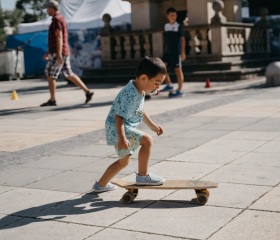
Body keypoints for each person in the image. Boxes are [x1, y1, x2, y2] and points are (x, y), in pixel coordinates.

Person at [92, 56, 167, 192]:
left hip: (120, 128)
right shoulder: (130, 94)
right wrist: (122, 138)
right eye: (156, 83)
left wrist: (152, 125)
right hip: (118, 128)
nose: (158, 87)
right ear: (144, 78)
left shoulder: (140, 88)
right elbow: (119, 118)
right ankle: (143, 176)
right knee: (147, 140)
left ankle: (100, 185)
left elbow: (140, 110)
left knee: (123, 162)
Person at [41, 0, 94, 107]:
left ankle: (52, 99)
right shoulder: (60, 19)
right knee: (69, 73)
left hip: (59, 52)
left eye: (48, 8)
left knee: (50, 74)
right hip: (62, 51)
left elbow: (59, 37)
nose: (47, 10)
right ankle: (87, 91)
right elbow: (57, 39)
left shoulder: (56, 20)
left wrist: (59, 54)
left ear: (52, 8)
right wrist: (49, 51)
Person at [159, 7, 186, 98]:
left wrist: (182, 53)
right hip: (167, 53)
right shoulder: (166, 26)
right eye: (171, 15)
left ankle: (180, 90)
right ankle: (169, 84)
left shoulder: (179, 26)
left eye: (174, 15)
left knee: (178, 71)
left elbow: (182, 40)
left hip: (176, 53)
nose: (173, 17)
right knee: (161, 67)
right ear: (167, 16)